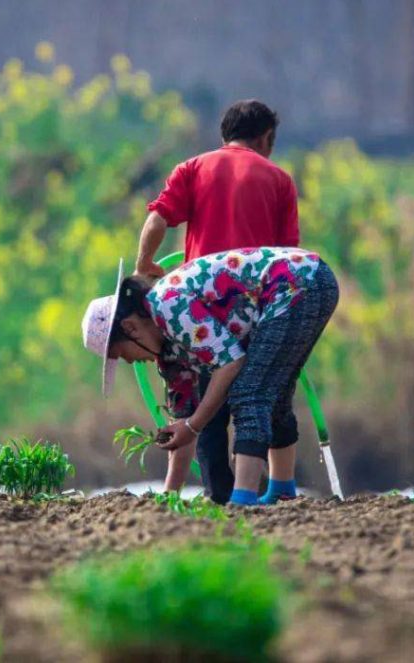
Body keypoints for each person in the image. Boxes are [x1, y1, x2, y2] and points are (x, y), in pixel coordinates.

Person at [133, 99, 300, 504]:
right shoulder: (278, 179)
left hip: (204, 312)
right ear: (266, 139)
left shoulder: (193, 168)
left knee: (208, 404)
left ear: (224, 135)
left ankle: (220, 495)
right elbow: (288, 256)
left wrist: (144, 267)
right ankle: (280, 488)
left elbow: (157, 219)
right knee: (270, 393)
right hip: (259, 308)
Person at [82, 247, 338, 506]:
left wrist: (193, 425)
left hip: (299, 281)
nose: (130, 361)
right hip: (304, 282)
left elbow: (231, 363)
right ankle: (282, 491)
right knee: (273, 391)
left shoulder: (167, 305)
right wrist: (170, 496)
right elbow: (183, 425)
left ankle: (243, 499)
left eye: (122, 354)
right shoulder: (169, 355)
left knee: (250, 392)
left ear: (129, 328)